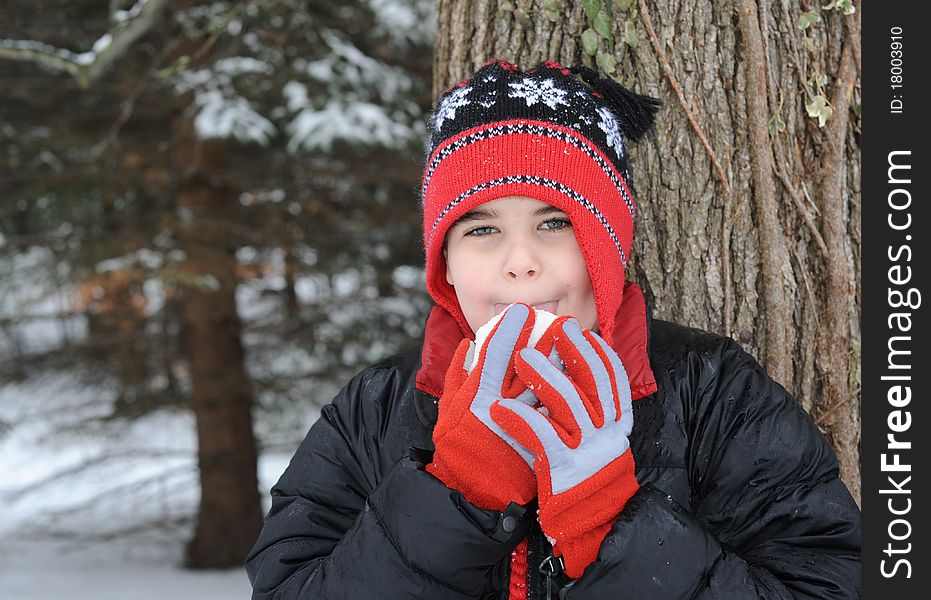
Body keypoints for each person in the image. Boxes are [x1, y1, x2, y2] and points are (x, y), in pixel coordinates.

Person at [245, 59, 860, 599]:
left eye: (555, 223)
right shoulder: (377, 409)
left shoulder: (713, 393)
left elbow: (829, 579)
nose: (521, 261)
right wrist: (456, 497)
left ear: (608, 247)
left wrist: (609, 524)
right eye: (481, 230)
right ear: (446, 268)